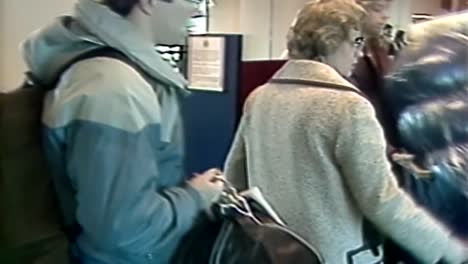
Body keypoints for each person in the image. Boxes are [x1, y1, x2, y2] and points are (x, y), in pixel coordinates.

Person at [224, 0, 468, 263]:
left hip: (276, 252)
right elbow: (381, 201)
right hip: (335, 254)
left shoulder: (260, 98)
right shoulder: (348, 105)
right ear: (330, 41)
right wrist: (444, 247)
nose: (358, 52)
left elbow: (235, 177)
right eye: (355, 42)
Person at [21, 0, 224, 263]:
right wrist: (196, 197)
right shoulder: (116, 89)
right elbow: (126, 231)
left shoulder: (99, 68)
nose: (196, 9)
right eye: (191, 0)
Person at [351, 0, 399, 146]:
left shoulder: (377, 48)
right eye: (378, 10)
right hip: (362, 142)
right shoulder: (341, 53)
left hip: (382, 141)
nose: (386, 16)